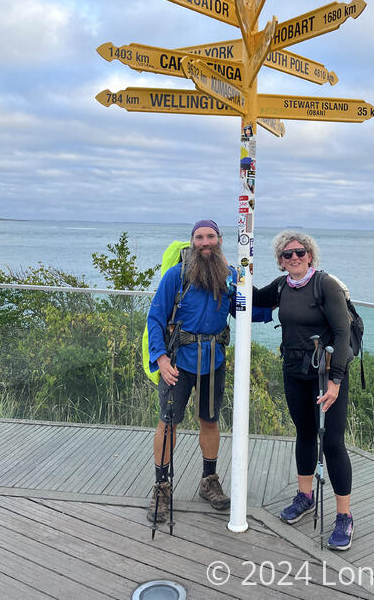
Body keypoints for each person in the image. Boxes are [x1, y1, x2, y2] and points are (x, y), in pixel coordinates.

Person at [146, 219, 271, 523]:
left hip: (213, 360)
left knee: (210, 421)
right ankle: (162, 487)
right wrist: (160, 359)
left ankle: (209, 481)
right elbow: (156, 317)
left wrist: (282, 300)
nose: (205, 242)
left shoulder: (228, 276)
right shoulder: (176, 277)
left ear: (219, 241)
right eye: (200, 237)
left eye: (211, 237)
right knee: (168, 423)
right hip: (177, 362)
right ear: (192, 242)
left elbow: (244, 310)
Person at [253, 230, 354, 550]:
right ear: (280, 262)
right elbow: (254, 298)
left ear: (310, 255)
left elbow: (342, 332)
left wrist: (336, 381)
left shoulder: (326, 285)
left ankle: (344, 517)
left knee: (333, 443)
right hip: (294, 371)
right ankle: (305, 496)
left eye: (299, 252)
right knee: (305, 434)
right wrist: (233, 271)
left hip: (325, 373)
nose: (294, 258)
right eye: (287, 254)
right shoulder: (282, 286)